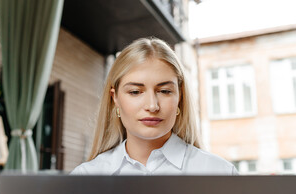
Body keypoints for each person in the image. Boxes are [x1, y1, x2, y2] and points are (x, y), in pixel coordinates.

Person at [72, 37, 237, 175]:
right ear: (115, 98)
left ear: (180, 97)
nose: (152, 106)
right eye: (135, 92)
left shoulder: (220, 173)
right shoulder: (85, 177)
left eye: (164, 91)